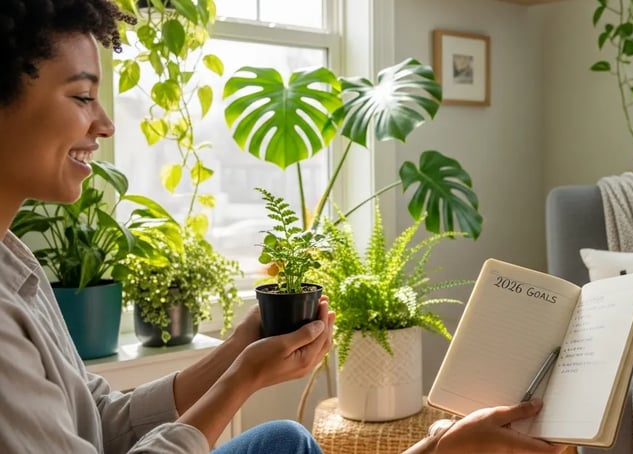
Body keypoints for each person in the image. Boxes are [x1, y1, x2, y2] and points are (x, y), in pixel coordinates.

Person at [0, 1, 563, 453]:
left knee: (285, 438)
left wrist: (239, 350)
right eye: (81, 96)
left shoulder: (15, 258)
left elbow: (102, 423)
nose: (103, 123)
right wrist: (241, 381)